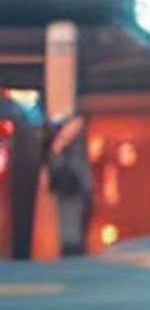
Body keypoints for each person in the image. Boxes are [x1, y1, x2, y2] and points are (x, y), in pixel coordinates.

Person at [43, 109, 93, 257]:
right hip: (71, 184)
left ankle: (69, 244)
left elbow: (54, 162)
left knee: (68, 214)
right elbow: (80, 167)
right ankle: (71, 244)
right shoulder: (71, 145)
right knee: (70, 214)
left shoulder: (59, 144)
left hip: (67, 184)